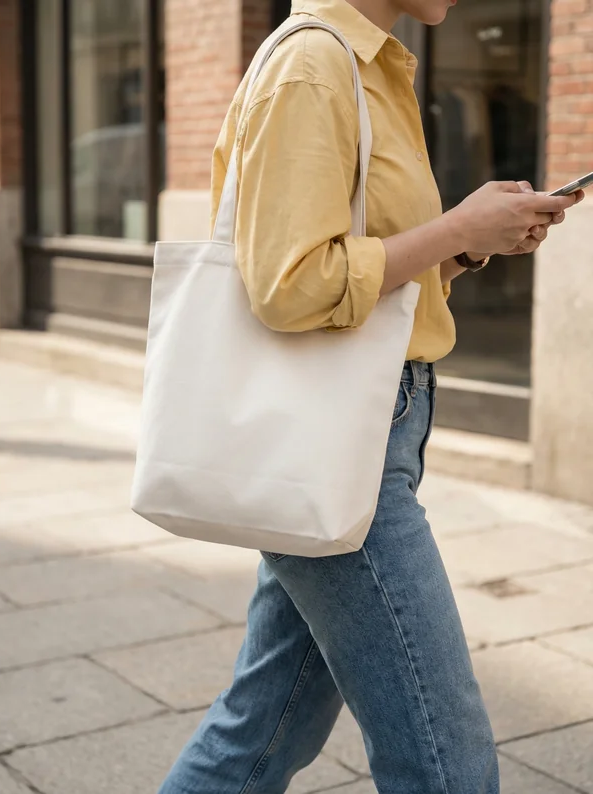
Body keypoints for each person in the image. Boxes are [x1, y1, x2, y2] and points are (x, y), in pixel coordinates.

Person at [158, 1, 581, 792]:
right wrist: (454, 227)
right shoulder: (314, 64)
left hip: (361, 425)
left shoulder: (369, 63)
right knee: (445, 761)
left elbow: (365, 276)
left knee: (261, 731)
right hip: (337, 439)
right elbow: (290, 285)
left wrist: (471, 247)